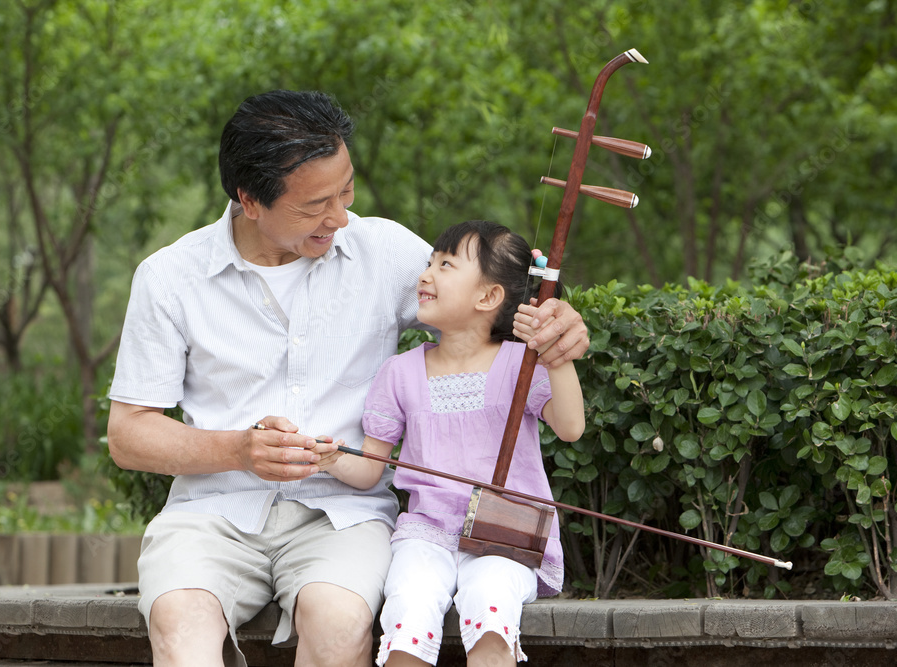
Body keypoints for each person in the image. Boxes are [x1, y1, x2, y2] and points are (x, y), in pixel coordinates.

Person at [107, 90, 590, 667]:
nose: (339, 216)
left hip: (343, 514)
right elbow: (129, 434)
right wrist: (240, 450)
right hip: (210, 513)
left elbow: (481, 305)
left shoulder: (382, 250)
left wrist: (557, 323)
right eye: (315, 205)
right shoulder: (169, 278)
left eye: (347, 190)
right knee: (180, 625)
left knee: (337, 625)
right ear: (249, 200)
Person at [317, 220, 585, 666]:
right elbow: (368, 469)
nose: (426, 274)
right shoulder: (399, 372)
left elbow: (571, 426)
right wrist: (329, 457)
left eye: (445, 264)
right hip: (427, 535)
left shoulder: (523, 362)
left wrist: (552, 348)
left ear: (488, 297)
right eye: (428, 263)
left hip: (506, 536)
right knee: (408, 607)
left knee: (491, 604)